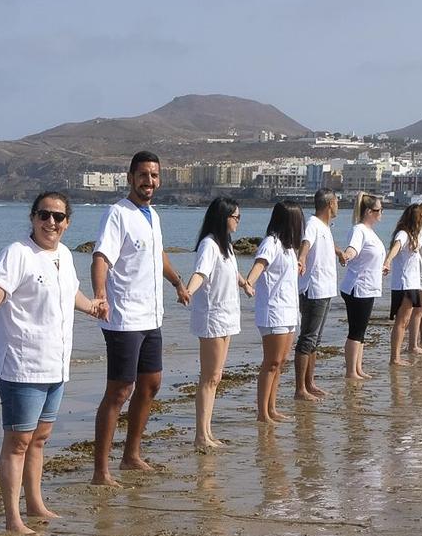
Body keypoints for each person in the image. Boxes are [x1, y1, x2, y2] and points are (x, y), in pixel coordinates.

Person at [0, 191, 106, 526]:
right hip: (21, 366)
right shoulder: (17, 254)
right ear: (32, 218)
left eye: (58, 217)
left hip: (55, 365)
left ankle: (35, 504)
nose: (51, 222)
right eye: (44, 215)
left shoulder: (65, 256)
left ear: (67, 223)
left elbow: (68, 291)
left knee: (39, 440)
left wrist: (91, 306)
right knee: (18, 443)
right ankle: (13, 517)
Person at [90, 151, 183, 485]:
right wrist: (100, 295)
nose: (149, 181)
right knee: (119, 390)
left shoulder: (153, 216)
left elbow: (157, 255)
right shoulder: (117, 214)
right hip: (124, 317)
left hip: (151, 315)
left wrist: (177, 282)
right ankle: (101, 470)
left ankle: (131, 455)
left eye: (155, 176)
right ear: (130, 178)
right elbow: (100, 257)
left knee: (152, 383)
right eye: (143, 175)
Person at [175, 197, 248, 447]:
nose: (238, 221)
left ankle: (207, 432)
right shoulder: (208, 245)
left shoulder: (224, 244)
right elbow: (202, 273)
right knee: (209, 376)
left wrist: (245, 283)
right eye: (235, 217)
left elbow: (230, 271)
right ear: (223, 217)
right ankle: (200, 436)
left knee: (216, 377)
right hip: (212, 317)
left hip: (227, 316)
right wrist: (188, 291)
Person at [247, 200, 304, 424]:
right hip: (273, 311)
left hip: (289, 311)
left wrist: (299, 265)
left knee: (280, 363)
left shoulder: (289, 248)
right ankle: (262, 412)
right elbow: (260, 265)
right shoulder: (271, 242)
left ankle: (272, 408)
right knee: (271, 362)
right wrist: (249, 283)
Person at [295, 188, 342, 399]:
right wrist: (302, 259)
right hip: (313, 289)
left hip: (325, 289)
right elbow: (306, 243)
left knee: (316, 340)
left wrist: (339, 252)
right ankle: (300, 389)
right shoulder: (312, 224)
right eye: (337, 202)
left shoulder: (324, 226)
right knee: (307, 339)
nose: (338, 206)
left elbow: (326, 244)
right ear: (329, 204)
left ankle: (310, 383)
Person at [337, 192, 385, 379]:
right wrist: (346, 256)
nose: (381, 213)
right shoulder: (359, 230)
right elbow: (353, 250)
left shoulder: (369, 231)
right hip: (358, 287)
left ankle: (358, 368)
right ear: (368, 212)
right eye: (378, 210)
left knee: (362, 331)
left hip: (369, 286)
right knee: (355, 331)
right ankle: (351, 371)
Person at [385, 202, 422, 360]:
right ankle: (395, 357)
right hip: (403, 283)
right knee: (402, 321)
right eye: (420, 216)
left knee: (405, 321)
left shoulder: (417, 234)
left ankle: (398, 355)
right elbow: (396, 247)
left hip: (413, 282)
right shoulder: (404, 234)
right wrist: (387, 262)